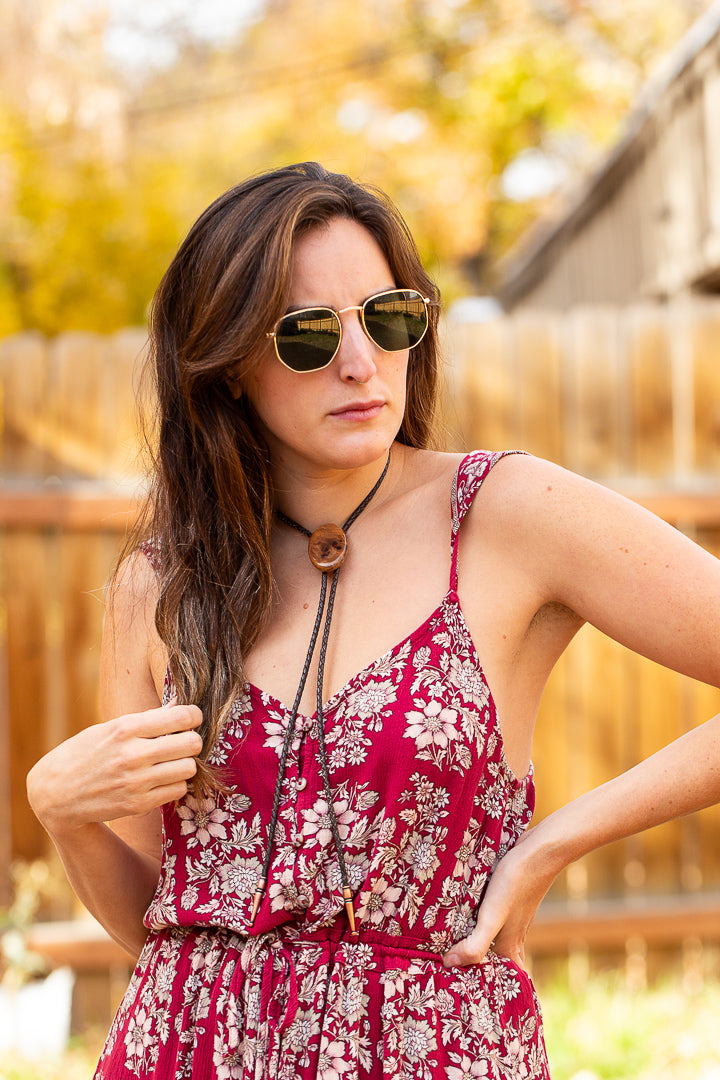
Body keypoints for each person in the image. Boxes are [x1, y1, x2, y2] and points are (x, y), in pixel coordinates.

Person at [26, 161, 720, 1080]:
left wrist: (553, 841)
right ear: (227, 365)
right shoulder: (164, 583)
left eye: (388, 317)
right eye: (309, 334)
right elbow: (165, 927)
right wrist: (64, 815)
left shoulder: (508, 514)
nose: (360, 361)